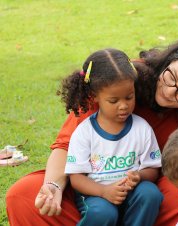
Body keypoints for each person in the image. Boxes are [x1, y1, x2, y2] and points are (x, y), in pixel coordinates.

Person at [6, 37, 178, 226]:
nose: (169, 92)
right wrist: (54, 187)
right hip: (93, 188)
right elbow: (65, 146)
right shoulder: (120, 80)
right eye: (170, 77)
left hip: (149, 195)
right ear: (167, 62)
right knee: (23, 196)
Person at [61, 48, 163, 226]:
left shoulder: (142, 128)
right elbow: (76, 178)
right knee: (103, 213)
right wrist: (103, 191)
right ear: (95, 97)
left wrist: (139, 177)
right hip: (96, 194)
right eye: (114, 101)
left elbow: (153, 169)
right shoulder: (85, 132)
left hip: (132, 193)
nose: (123, 106)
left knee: (150, 193)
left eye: (129, 97)